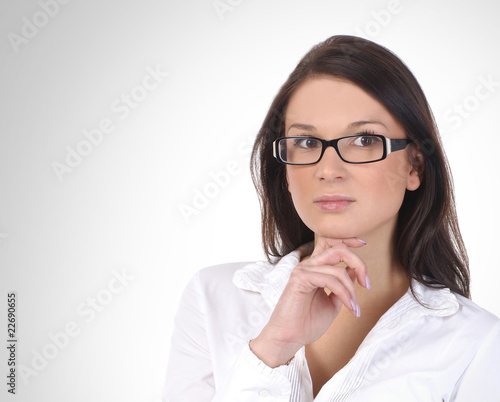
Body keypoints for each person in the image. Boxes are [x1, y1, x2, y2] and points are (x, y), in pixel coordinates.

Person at [163, 35, 500, 401]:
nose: (329, 169)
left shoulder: (476, 342)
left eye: (364, 140)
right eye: (307, 143)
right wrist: (274, 347)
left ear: (414, 165)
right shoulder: (213, 297)